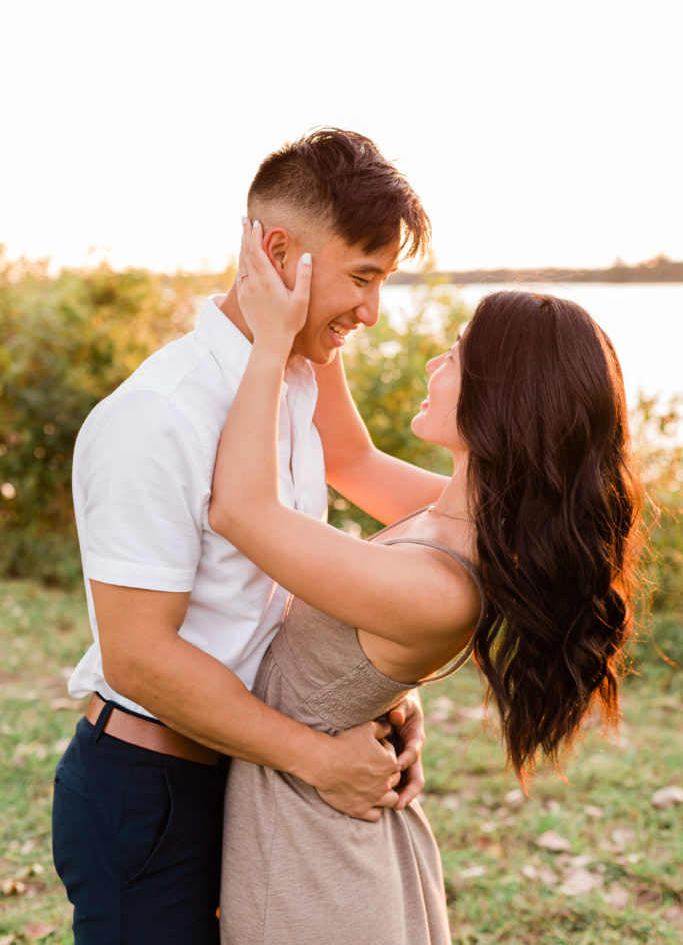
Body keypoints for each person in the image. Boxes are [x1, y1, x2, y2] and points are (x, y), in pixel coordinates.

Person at [52, 128, 443, 944]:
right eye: (362, 277)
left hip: (244, 766)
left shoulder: (295, 377)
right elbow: (139, 658)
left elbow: (334, 500)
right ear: (278, 253)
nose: (371, 313)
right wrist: (316, 756)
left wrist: (372, 696)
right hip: (151, 788)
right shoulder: (158, 415)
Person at [208, 223, 642, 945]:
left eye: (458, 355)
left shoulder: (439, 582)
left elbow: (240, 511)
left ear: (500, 401)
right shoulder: (453, 518)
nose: (437, 362)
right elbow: (346, 455)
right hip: (326, 825)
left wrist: (268, 341)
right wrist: (321, 315)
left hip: (317, 863)